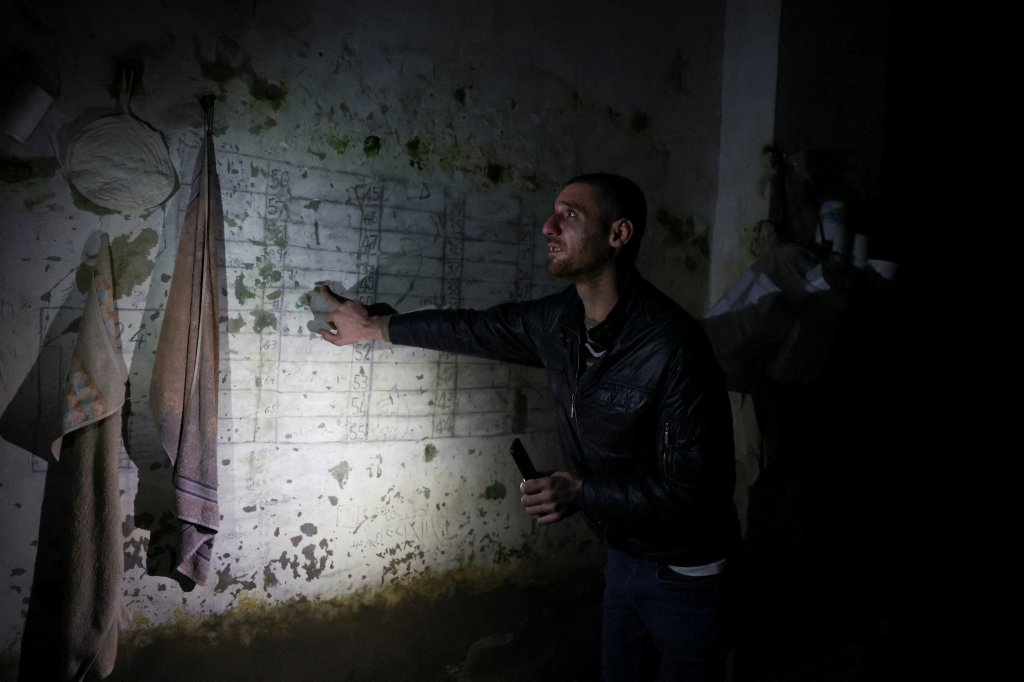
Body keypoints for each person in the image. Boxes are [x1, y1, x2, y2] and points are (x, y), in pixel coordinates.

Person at [316, 173, 740, 681]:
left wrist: (582, 492)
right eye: (553, 212)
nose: (548, 226)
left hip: (688, 574)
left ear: (618, 234)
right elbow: (474, 329)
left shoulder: (673, 345)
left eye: (570, 215)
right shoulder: (560, 322)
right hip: (626, 557)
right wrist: (376, 328)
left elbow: (695, 494)